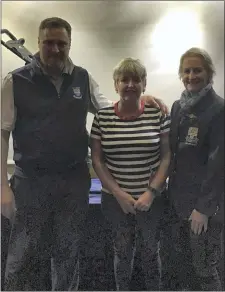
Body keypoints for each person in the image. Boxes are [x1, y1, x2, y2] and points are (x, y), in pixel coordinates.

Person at [1, 17, 167, 291]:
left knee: (66, 256)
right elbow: (2, 132)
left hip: (73, 182)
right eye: (49, 43)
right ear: (39, 42)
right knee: (22, 255)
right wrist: (2, 188)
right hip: (30, 183)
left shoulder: (82, 77)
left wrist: (139, 98)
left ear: (69, 45)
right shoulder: (15, 81)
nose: (55, 49)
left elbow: (107, 108)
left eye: (61, 43)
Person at [90, 57, 171, 291]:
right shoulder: (102, 117)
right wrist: (118, 194)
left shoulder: (158, 114)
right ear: (115, 85)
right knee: (122, 252)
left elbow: (166, 157)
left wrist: (151, 192)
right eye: (124, 79)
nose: (130, 84)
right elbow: (97, 159)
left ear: (144, 84)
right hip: (115, 201)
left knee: (150, 252)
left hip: (152, 200)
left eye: (136, 79)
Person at [162, 47, 224, 291]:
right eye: (186, 71)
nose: (191, 76)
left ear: (209, 73)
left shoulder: (219, 109)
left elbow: (218, 163)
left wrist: (203, 208)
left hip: (203, 207)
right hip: (177, 202)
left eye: (197, 70)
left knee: (205, 271)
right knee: (182, 269)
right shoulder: (179, 106)